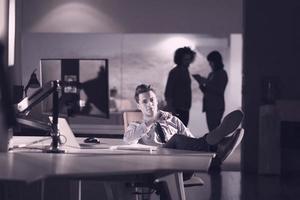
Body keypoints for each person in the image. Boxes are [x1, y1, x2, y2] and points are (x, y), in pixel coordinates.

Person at [124, 84, 244, 170]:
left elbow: (192, 141)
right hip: (156, 160)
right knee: (176, 139)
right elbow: (128, 139)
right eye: (144, 101)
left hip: (180, 160)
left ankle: (214, 150)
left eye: (152, 100)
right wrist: (151, 121)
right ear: (139, 105)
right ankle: (217, 146)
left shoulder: (172, 120)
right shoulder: (136, 125)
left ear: (157, 101)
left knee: (187, 140)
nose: (149, 104)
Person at [193, 51, 228, 132]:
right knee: (211, 129)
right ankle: (214, 144)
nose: (210, 64)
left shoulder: (222, 73)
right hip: (209, 106)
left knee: (215, 130)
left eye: (211, 62)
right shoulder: (211, 74)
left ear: (216, 62)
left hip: (216, 106)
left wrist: (206, 82)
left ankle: (216, 145)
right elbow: (207, 91)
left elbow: (220, 90)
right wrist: (200, 83)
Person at [164, 47, 196, 126]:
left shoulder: (185, 71)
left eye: (189, 59)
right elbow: (168, 92)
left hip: (185, 108)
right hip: (177, 108)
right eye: (186, 60)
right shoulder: (175, 72)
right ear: (180, 59)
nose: (188, 62)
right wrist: (171, 108)